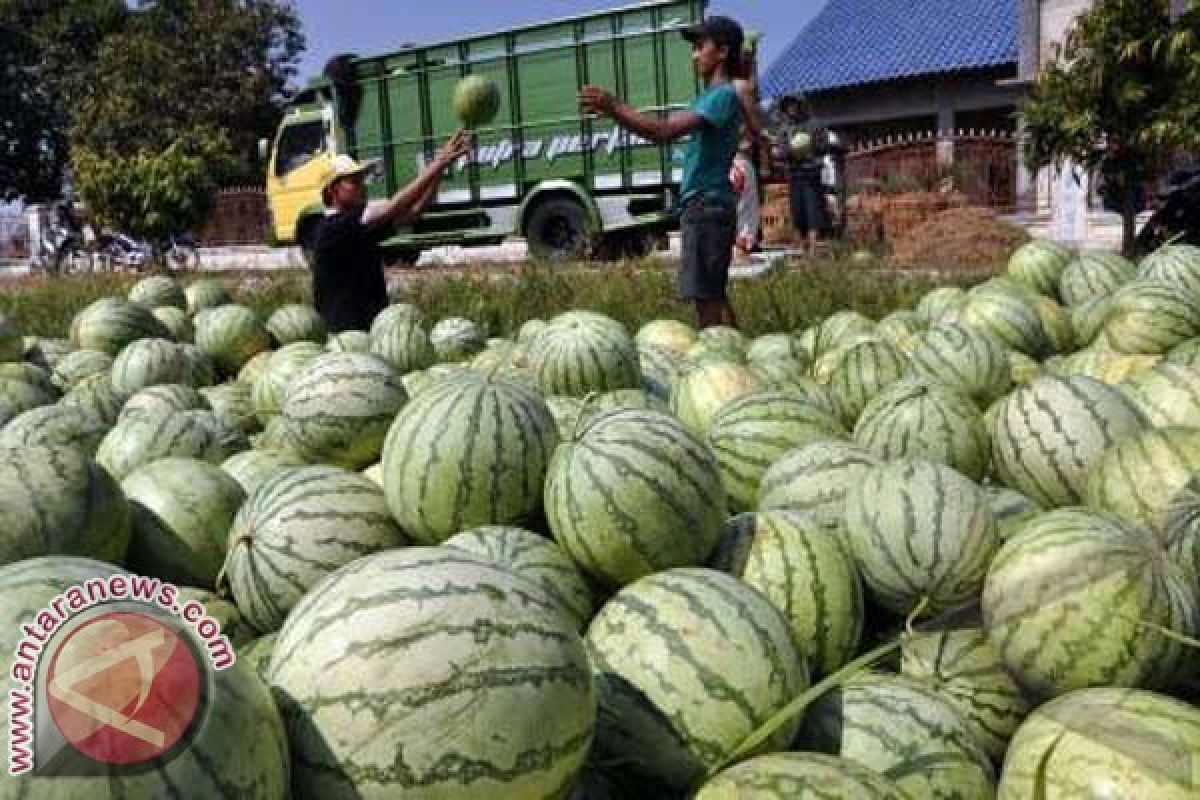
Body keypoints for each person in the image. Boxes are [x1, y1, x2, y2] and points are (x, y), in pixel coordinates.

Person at [580, 15, 745, 329]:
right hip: (705, 204)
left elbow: (664, 131)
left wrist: (613, 106)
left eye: (700, 47)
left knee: (706, 298)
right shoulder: (711, 97)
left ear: (722, 52)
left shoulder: (722, 95)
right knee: (713, 293)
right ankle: (736, 353)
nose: (694, 55)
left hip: (707, 205)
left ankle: (718, 358)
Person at [312, 130, 471, 333]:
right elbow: (395, 205)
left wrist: (440, 170)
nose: (362, 186)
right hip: (345, 331)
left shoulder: (359, 226)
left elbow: (414, 212)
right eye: (354, 182)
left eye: (362, 180)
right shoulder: (332, 227)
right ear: (332, 191)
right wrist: (439, 162)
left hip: (369, 328)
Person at [777, 95, 828, 257]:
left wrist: (809, 147)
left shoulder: (814, 125)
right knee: (797, 209)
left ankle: (814, 246)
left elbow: (823, 145)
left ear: (800, 106)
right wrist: (790, 152)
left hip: (811, 171)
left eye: (794, 105)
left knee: (813, 207)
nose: (791, 108)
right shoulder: (784, 129)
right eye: (788, 106)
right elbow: (781, 151)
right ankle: (802, 245)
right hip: (794, 173)